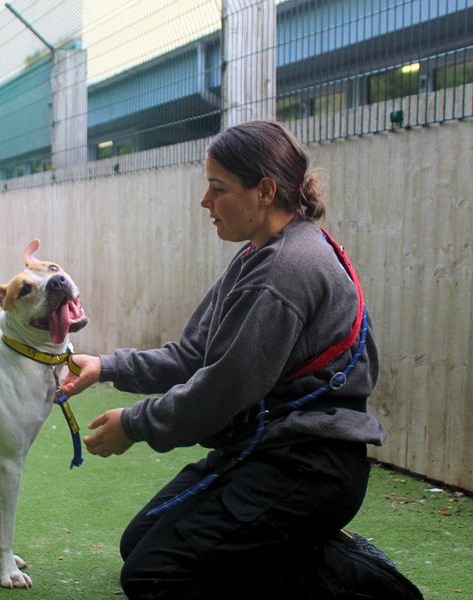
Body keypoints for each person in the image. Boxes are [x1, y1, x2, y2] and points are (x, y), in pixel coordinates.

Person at [61, 120, 423, 599]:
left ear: (265, 191)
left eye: (218, 188)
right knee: (140, 542)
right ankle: (300, 547)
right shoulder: (262, 251)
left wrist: (134, 425)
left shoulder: (283, 270)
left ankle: (360, 582)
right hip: (267, 451)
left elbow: (222, 390)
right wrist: (107, 366)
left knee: (154, 576)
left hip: (306, 469)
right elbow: (194, 355)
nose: (205, 202)